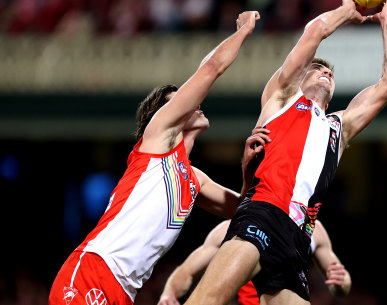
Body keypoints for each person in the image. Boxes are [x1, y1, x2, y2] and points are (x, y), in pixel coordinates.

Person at [185, 0, 387, 304]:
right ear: (300, 78)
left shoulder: (339, 128)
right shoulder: (282, 97)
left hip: (298, 242)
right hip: (262, 215)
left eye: (330, 73)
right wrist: (347, 11)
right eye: (317, 68)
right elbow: (315, 31)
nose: (325, 72)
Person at [48, 11, 267, 305]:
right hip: (93, 271)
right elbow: (211, 67)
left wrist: (247, 172)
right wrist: (242, 32)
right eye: (177, 101)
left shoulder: (194, 179)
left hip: (125, 292)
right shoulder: (157, 141)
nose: (194, 102)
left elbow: (242, 212)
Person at [157, 219, 351, 305]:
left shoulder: (312, 229)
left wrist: (341, 283)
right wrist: (169, 293)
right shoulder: (233, 228)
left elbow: (341, 282)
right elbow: (186, 271)